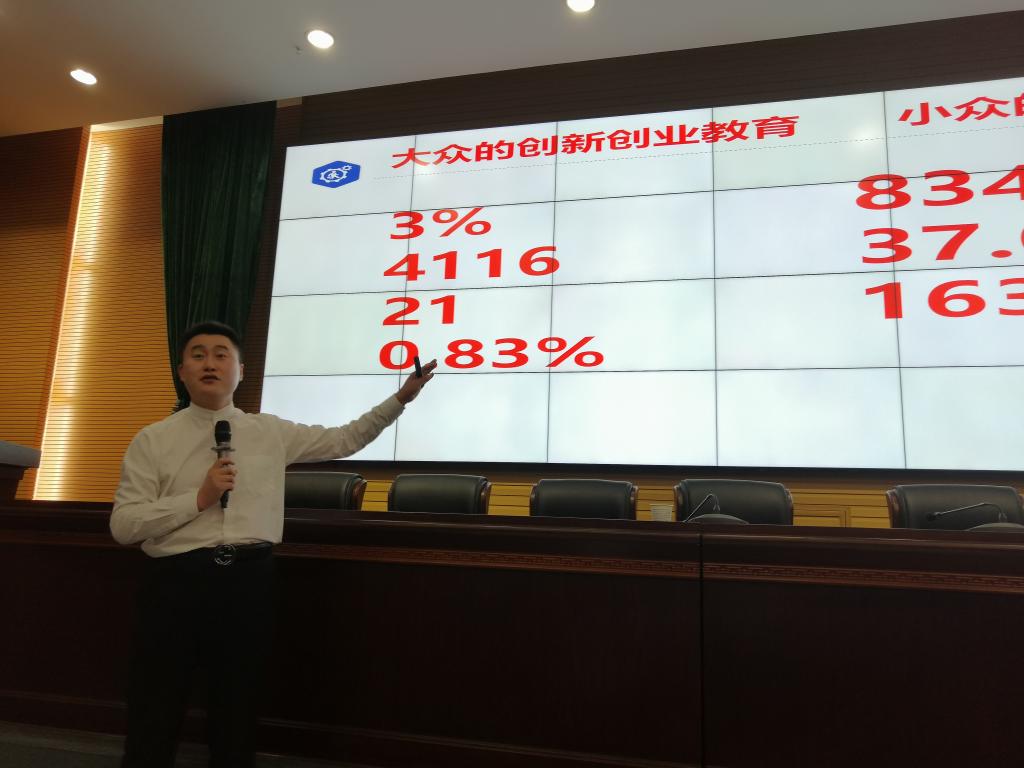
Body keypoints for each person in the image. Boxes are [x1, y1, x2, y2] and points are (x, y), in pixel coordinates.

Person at [110, 320, 436, 767]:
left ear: (240, 371)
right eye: (198, 355)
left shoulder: (270, 432)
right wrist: (198, 499)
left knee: (238, 705)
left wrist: (400, 399)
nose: (210, 363)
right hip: (175, 582)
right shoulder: (152, 440)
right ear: (182, 371)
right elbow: (124, 525)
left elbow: (345, 438)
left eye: (221, 354)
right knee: (156, 703)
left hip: (248, 581)